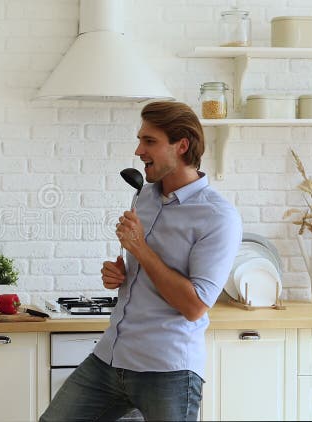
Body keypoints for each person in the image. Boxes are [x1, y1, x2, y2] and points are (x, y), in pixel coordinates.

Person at [40, 101, 242, 422]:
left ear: (182, 146)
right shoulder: (144, 195)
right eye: (140, 140)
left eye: (150, 141)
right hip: (110, 359)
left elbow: (195, 306)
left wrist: (141, 249)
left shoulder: (217, 216)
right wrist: (120, 273)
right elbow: (142, 271)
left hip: (167, 370)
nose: (138, 150)